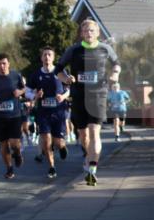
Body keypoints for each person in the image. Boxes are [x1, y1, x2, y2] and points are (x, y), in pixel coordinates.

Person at [56, 19, 121, 185]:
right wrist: (67, 79)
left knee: (94, 132)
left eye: (92, 30)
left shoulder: (105, 48)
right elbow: (58, 70)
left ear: (97, 32)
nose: (89, 33)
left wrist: (115, 74)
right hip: (79, 96)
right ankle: (88, 157)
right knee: (84, 135)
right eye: (85, 31)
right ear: (81, 33)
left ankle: (92, 170)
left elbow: (117, 64)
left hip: (98, 95)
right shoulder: (74, 50)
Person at [26, 47, 70, 179]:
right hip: (43, 113)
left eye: (49, 55)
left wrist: (63, 97)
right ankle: (51, 167)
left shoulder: (61, 73)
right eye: (44, 55)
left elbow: (69, 89)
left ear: (53, 57)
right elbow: (27, 92)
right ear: (41, 58)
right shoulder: (35, 75)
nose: (47, 57)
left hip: (59, 112)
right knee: (46, 140)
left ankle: (62, 147)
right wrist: (35, 95)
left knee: (58, 142)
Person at [0, 53, 27, 180]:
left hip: (14, 115)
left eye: (4, 63)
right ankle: (9, 168)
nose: (1, 66)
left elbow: (25, 89)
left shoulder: (16, 75)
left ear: (8, 64)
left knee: (14, 143)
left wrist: (19, 92)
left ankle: (18, 153)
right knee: (3, 144)